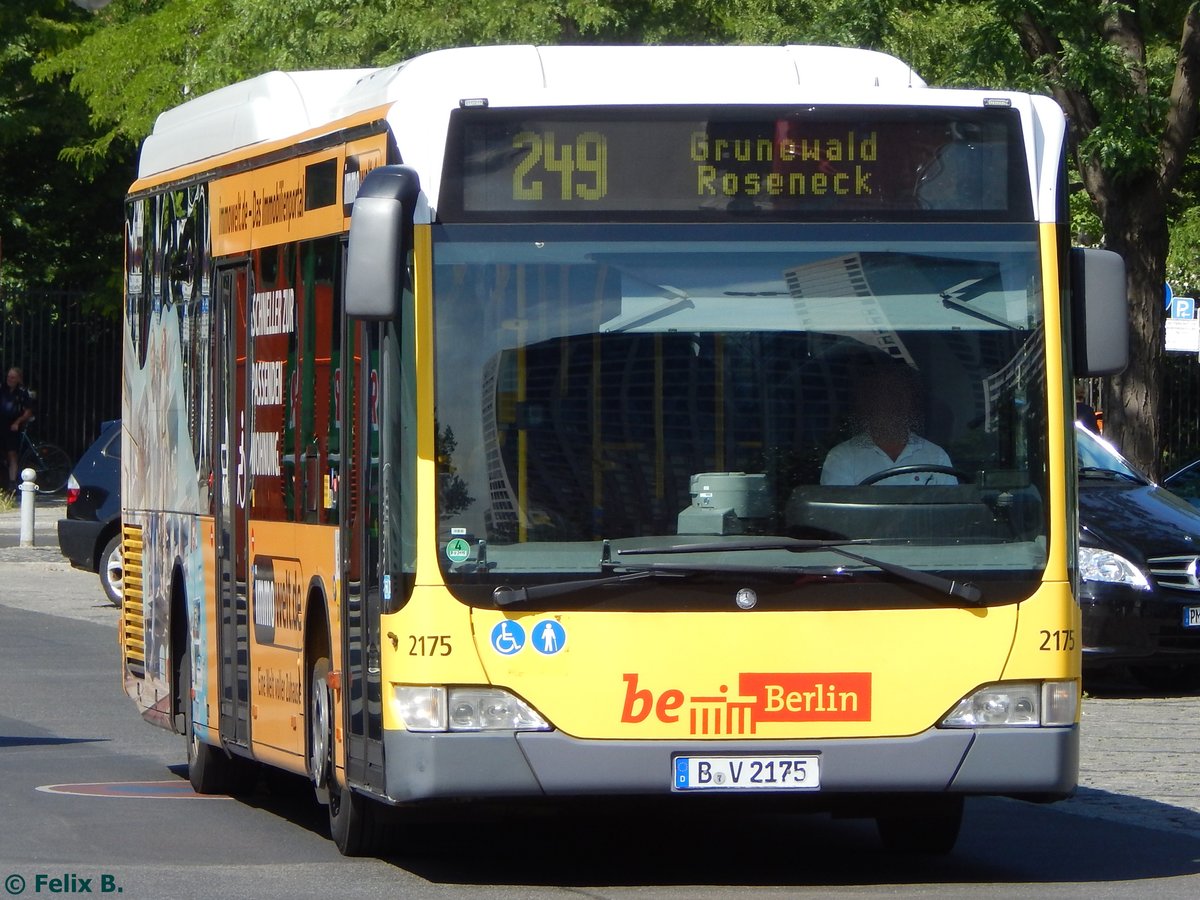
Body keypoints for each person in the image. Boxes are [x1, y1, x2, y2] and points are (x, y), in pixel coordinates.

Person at [820, 362, 957, 486]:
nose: (891, 405)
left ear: (911, 404)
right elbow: (839, 512)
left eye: (898, 396)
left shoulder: (936, 456)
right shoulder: (842, 457)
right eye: (883, 397)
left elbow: (950, 509)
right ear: (868, 404)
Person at [0, 367, 36, 492]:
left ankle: (12, 483)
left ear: (18, 379)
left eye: (13, 377)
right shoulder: (2, 388)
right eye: (9, 376)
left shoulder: (22, 392)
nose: (9, 379)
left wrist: (17, 422)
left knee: (12, 454)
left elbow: (28, 411)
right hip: (1, 425)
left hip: (13, 427)